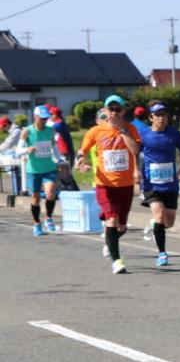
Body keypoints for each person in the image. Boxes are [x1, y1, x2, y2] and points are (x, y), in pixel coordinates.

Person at [76, 95, 142, 274]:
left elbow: (135, 150)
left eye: (117, 109)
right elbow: (83, 149)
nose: (114, 113)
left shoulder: (131, 129)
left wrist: (122, 131)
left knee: (121, 226)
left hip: (125, 184)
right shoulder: (96, 131)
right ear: (105, 111)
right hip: (104, 183)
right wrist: (80, 159)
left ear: (123, 111)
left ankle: (109, 242)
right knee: (112, 220)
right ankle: (117, 260)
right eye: (111, 109)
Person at [138, 102, 180, 266]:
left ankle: (156, 227)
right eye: (158, 115)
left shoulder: (174, 133)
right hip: (151, 184)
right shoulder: (143, 135)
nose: (161, 118)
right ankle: (162, 253)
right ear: (150, 117)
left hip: (170, 184)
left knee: (169, 222)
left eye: (164, 115)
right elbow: (134, 153)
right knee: (159, 215)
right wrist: (135, 171)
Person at [19, 105, 65, 235]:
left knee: (50, 194)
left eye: (46, 118)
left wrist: (59, 159)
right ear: (35, 117)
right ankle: (36, 223)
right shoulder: (27, 131)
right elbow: (18, 150)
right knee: (36, 198)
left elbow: (54, 147)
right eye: (42, 118)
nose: (44, 120)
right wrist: (27, 149)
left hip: (49, 168)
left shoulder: (50, 130)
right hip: (33, 170)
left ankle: (48, 218)